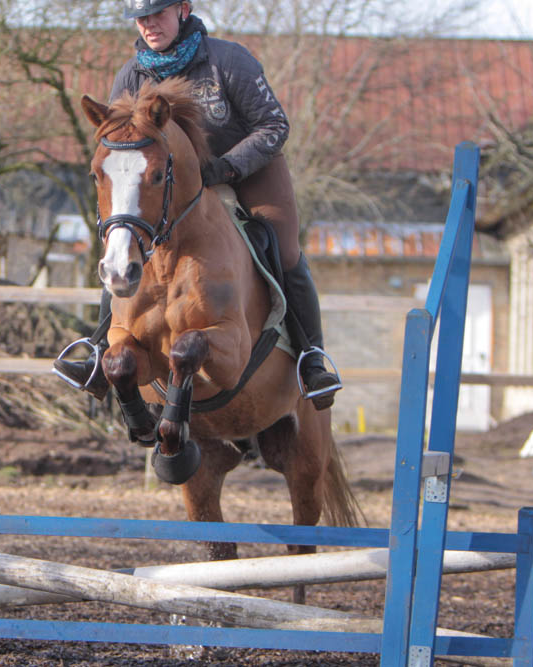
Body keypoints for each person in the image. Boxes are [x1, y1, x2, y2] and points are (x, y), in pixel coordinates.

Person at [53, 0, 341, 410]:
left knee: (285, 248)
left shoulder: (229, 60)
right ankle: (100, 351)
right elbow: (123, 146)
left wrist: (226, 167)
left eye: (159, 13)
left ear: (184, 9)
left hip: (246, 170)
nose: (150, 24)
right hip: (171, 183)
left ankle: (311, 359)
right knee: (124, 243)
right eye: (142, 18)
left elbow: (274, 125)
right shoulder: (131, 74)